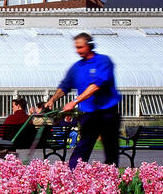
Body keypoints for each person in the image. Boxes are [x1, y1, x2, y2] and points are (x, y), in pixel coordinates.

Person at [36, 32, 121, 169]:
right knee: (83, 145)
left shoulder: (103, 61)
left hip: (107, 112)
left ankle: (110, 176)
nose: (78, 51)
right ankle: (73, 172)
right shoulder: (77, 67)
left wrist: (75, 102)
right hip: (89, 113)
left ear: (90, 46)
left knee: (110, 146)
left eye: (80, 47)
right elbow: (65, 85)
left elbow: (96, 85)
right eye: (76, 48)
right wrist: (52, 100)